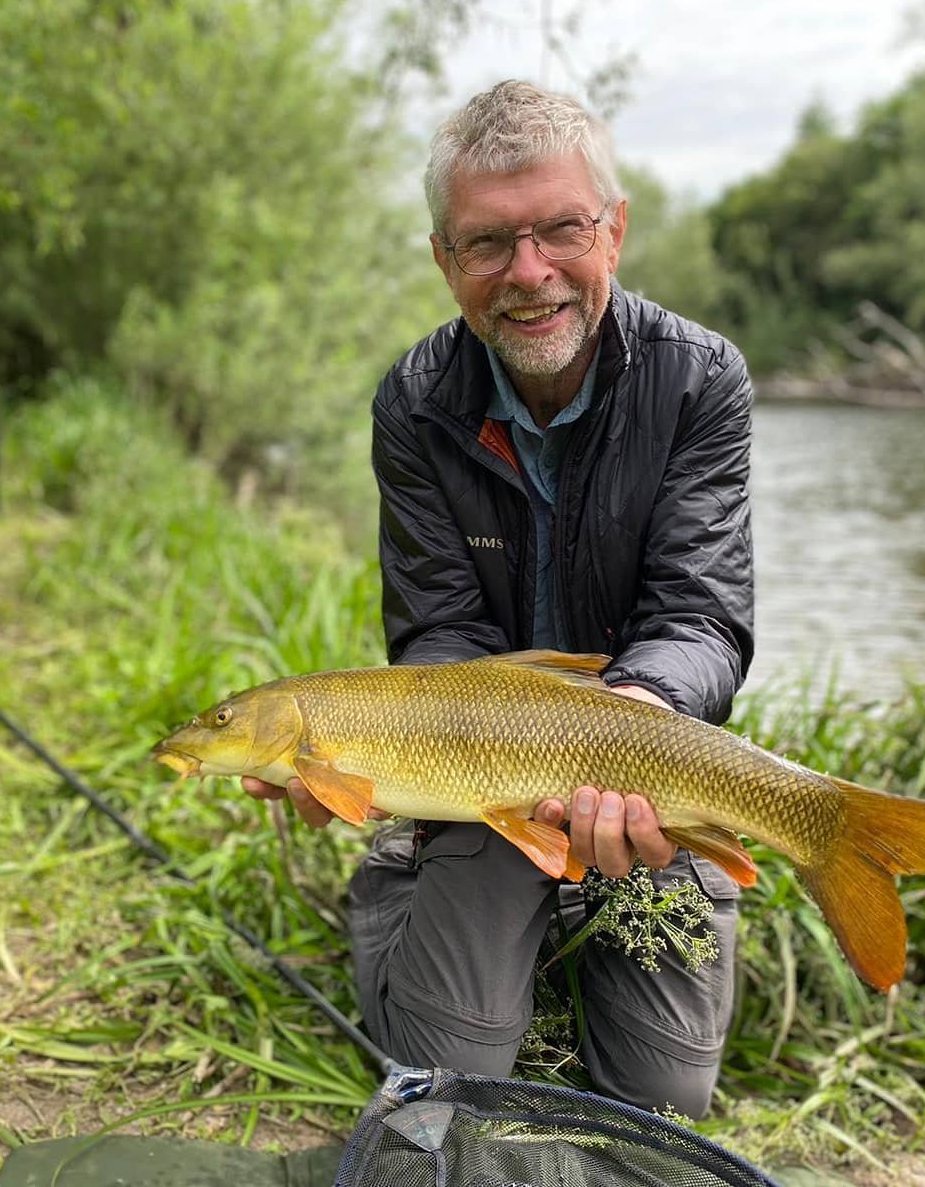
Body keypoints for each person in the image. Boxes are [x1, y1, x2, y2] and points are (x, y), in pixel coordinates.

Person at [244, 79, 754, 1118]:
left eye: (561, 229)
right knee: (452, 1083)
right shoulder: (414, 401)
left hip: (635, 761)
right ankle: (426, 884)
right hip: (478, 766)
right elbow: (438, 630)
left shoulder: (701, 380)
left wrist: (637, 726)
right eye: (487, 244)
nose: (529, 274)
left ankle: (573, 905)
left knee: (665, 1095)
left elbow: (700, 618)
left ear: (613, 231)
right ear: (445, 259)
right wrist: (368, 767)